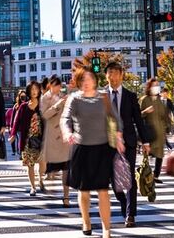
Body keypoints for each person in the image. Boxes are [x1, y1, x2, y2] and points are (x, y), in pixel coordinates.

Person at [62, 66, 124, 238]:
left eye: (90, 80)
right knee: (84, 190)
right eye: (83, 80)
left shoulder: (104, 97)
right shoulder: (74, 98)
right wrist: (67, 132)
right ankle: (86, 220)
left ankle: (106, 229)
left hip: (102, 149)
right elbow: (65, 118)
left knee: (103, 190)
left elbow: (115, 118)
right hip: (82, 148)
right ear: (79, 82)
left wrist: (118, 136)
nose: (87, 83)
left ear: (95, 81)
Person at [105, 62, 150, 228]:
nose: (113, 76)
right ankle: (123, 201)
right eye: (110, 73)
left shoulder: (131, 96)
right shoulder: (102, 95)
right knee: (113, 179)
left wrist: (145, 141)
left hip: (129, 142)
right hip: (108, 144)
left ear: (121, 75)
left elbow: (138, 120)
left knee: (129, 177)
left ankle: (130, 214)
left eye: (116, 73)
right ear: (106, 76)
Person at [40, 75, 71, 207]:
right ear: (50, 85)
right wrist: (59, 104)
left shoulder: (62, 95)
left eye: (59, 85)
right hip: (52, 136)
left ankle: (66, 196)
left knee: (66, 168)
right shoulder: (45, 97)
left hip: (63, 135)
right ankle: (48, 183)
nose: (58, 88)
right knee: (52, 167)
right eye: (55, 85)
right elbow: (45, 114)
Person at [11, 80, 45, 195]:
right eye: (32, 89)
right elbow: (16, 121)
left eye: (36, 89)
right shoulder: (24, 106)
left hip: (42, 139)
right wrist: (13, 134)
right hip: (27, 140)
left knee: (42, 162)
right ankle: (33, 187)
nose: (34, 91)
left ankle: (41, 179)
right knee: (30, 164)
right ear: (29, 91)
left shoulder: (43, 104)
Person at [139, 77, 168, 184]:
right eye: (154, 85)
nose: (156, 87)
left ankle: (156, 175)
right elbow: (138, 116)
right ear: (149, 87)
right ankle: (146, 175)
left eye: (158, 85)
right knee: (148, 155)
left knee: (160, 154)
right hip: (149, 132)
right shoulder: (144, 99)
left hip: (160, 131)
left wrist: (167, 126)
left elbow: (164, 115)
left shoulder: (160, 100)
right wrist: (146, 111)